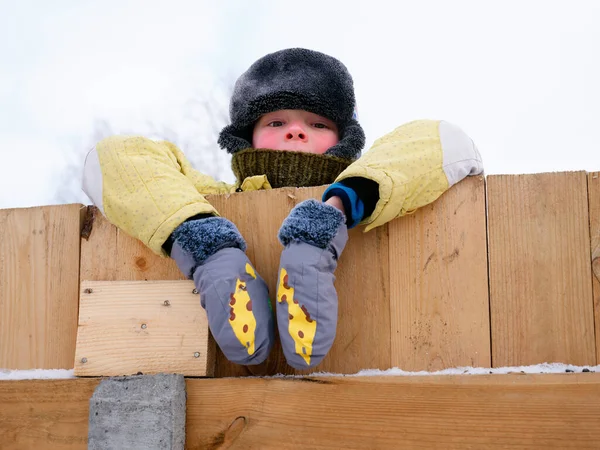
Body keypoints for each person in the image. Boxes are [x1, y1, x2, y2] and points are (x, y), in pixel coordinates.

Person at [82, 48, 483, 370]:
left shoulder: (370, 180)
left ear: (344, 139)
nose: (295, 130)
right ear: (248, 138)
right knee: (116, 149)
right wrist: (205, 240)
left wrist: (333, 210)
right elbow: (110, 161)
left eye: (318, 123)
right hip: (213, 269)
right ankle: (217, 261)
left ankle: (313, 245)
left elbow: (449, 142)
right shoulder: (211, 197)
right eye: (275, 121)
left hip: (368, 353)